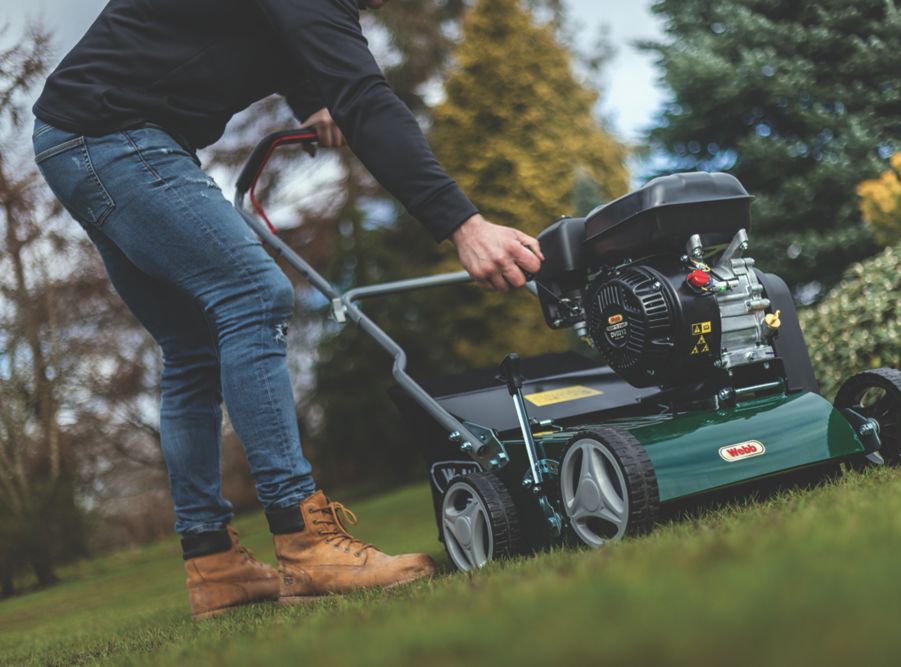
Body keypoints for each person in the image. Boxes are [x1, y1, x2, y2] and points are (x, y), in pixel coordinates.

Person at [32, 0, 543, 619]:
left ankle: (212, 563)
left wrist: (311, 100)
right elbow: (366, 98)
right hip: (117, 138)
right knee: (253, 293)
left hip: (77, 138)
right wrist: (464, 225)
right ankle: (302, 539)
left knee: (192, 349)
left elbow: (271, 35)